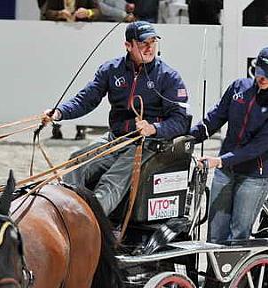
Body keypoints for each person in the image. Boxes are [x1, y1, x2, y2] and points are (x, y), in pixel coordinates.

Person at [42, 21, 189, 216]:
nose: (149, 47)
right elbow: (86, 99)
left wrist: (154, 128)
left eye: (153, 42)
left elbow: (181, 121)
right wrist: (59, 113)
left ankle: (91, 228)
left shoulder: (169, 77)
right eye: (143, 42)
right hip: (116, 138)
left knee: (111, 181)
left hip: (148, 144)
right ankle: (65, 216)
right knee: (75, 163)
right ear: (128, 46)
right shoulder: (111, 70)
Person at [189, 47, 268, 245]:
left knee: (238, 234)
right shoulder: (238, 87)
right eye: (260, 73)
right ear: (255, 67)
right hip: (225, 170)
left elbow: (258, 147)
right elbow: (214, 118)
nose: (263, 79)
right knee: (215, 232)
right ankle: (212, 275)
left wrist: (219, 160)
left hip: (255, 176)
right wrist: (188, 137)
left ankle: (235, 277)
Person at [42, 0, 101, 140]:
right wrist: (58, 14)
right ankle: (56, 127)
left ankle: (81, 128)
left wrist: (88, 13)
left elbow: (98, 12)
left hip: (83, 43)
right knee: (56, 84)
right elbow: (46, 12)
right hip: (58, 45)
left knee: (82, 86)